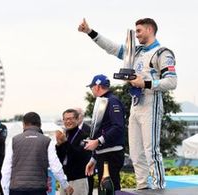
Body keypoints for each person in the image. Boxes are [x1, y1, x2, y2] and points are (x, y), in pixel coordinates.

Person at [79, 18, 177, 190]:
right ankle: (142, 187)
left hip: (151, 102)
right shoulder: (135, 51)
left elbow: (172, 82)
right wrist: (90, 32)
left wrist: (146, 83)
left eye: (139, 31)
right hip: (135, 102)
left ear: (149, 29)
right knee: (136, 152)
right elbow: (112, 48)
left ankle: (159, 188)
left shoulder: (162, 53)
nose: (136, 34)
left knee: (151, 150)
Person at [1, 112, 74, 195]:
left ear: (23, 124)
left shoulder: (14, 140)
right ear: (40, 125)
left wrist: (6, 191)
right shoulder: (47, 141)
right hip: (38, 189)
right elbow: (56, 167)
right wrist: (66, 185)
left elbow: (6, 169)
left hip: (17, 189)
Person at [83, 74, 125, 192]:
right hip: (104, 154)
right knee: (105, 190)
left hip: (111, 154)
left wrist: (98, 141)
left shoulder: (112, 101)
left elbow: (118, 127)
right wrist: (94, 158)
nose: (91, 90)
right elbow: (100, 130)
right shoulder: (103, 101)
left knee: (110, 189)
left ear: (97, 86)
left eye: (91, 87)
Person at [56, 109, 91, 195]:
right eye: (66, 119)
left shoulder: (84, 135)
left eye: (71, 118)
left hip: (79, 179)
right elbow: (61, 158)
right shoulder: (65, 135)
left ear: (77, 119)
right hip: (65, 180)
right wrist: (59, 146)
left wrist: (66, 143)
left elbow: (80, 156)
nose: (68, 121)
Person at [75, 107, 94, 195]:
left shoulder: (90, 130)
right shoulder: (68, 130)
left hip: (87, 165)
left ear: (82, 116)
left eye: (76, 114)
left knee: (88, 190)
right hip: (73, 167)